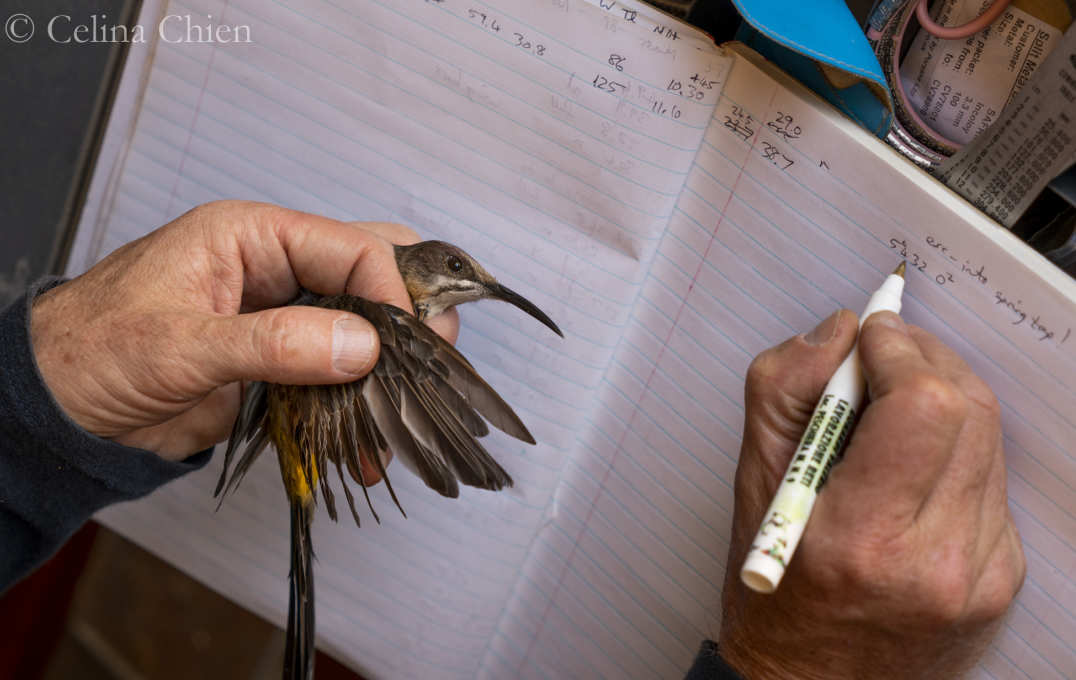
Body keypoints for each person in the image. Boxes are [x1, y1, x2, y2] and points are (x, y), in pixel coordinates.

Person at [0, 201, 1024, 679]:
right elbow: (387, 360)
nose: (475, 298)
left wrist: (37, 400)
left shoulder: (381, 319)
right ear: (424, 281)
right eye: (462, 284)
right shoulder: (381, 318)